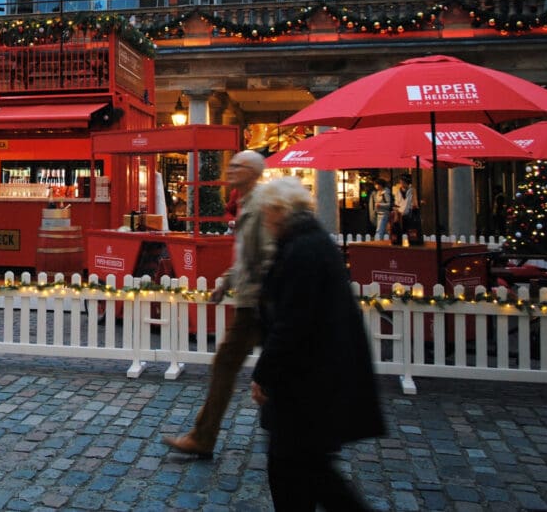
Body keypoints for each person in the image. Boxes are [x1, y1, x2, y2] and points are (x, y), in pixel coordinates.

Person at [250, 176, 385, 510]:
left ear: (279, 210)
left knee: (303, 471)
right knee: (303, 470)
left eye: (266, 212)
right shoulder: (306, 241)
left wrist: (264, 373)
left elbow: (293, 321)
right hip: (314, 379)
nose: (264, 220)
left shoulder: (303, 249)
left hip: (310, 382)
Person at [163, 149, 273, 458]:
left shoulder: (260, 205)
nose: (232, 169)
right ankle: (205, 435)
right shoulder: (247, 203)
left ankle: (204, 436)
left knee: (227, 365)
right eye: (233, 164)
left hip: (258, 304)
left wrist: (252, 289)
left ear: (253, 172)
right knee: (257, 365)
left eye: (239, 166)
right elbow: (247, 257)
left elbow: (262, 257)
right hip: (254, 301)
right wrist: (225, 283)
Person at [391, 173, 418, 241]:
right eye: (401, 182)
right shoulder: (397, 191)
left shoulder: (412, 190)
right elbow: (396, 203)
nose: (402, 183)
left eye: (403, 182)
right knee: (399, 234)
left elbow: (415, 203)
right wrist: (396, 212)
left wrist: (415, 205)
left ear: (407, 182)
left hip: (409, 214)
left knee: (411, 234)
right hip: (400, 215)